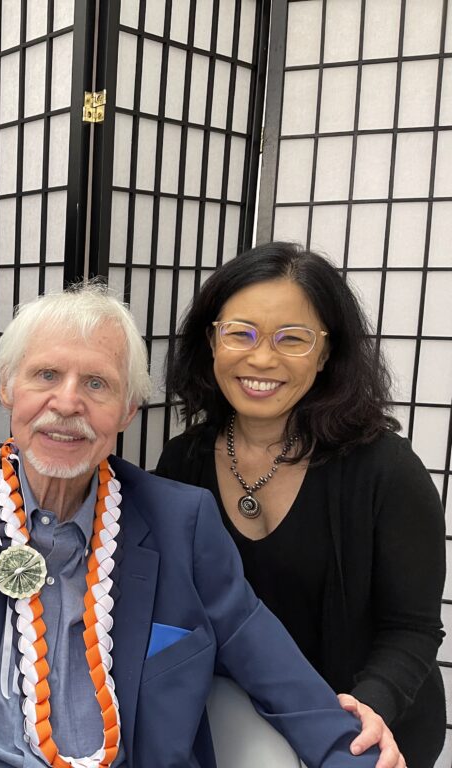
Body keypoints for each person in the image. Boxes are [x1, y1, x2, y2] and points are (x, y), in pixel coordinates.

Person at [0, 284, 397, 768]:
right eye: (45, 375)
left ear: (128, 410)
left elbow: (270, 662)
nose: (67, 403)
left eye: (97, 383)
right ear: (7, 389)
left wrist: (352, 748)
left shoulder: (181, 522)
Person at [155, 242, 445, 767]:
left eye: (292, 338)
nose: (261, 358)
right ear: (211, 341)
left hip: (363, 723)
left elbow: (414, 628)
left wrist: (371, 705)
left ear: (326, 353)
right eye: (239, 333)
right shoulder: (183, 460)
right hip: (243, 715)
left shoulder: (385, 470)